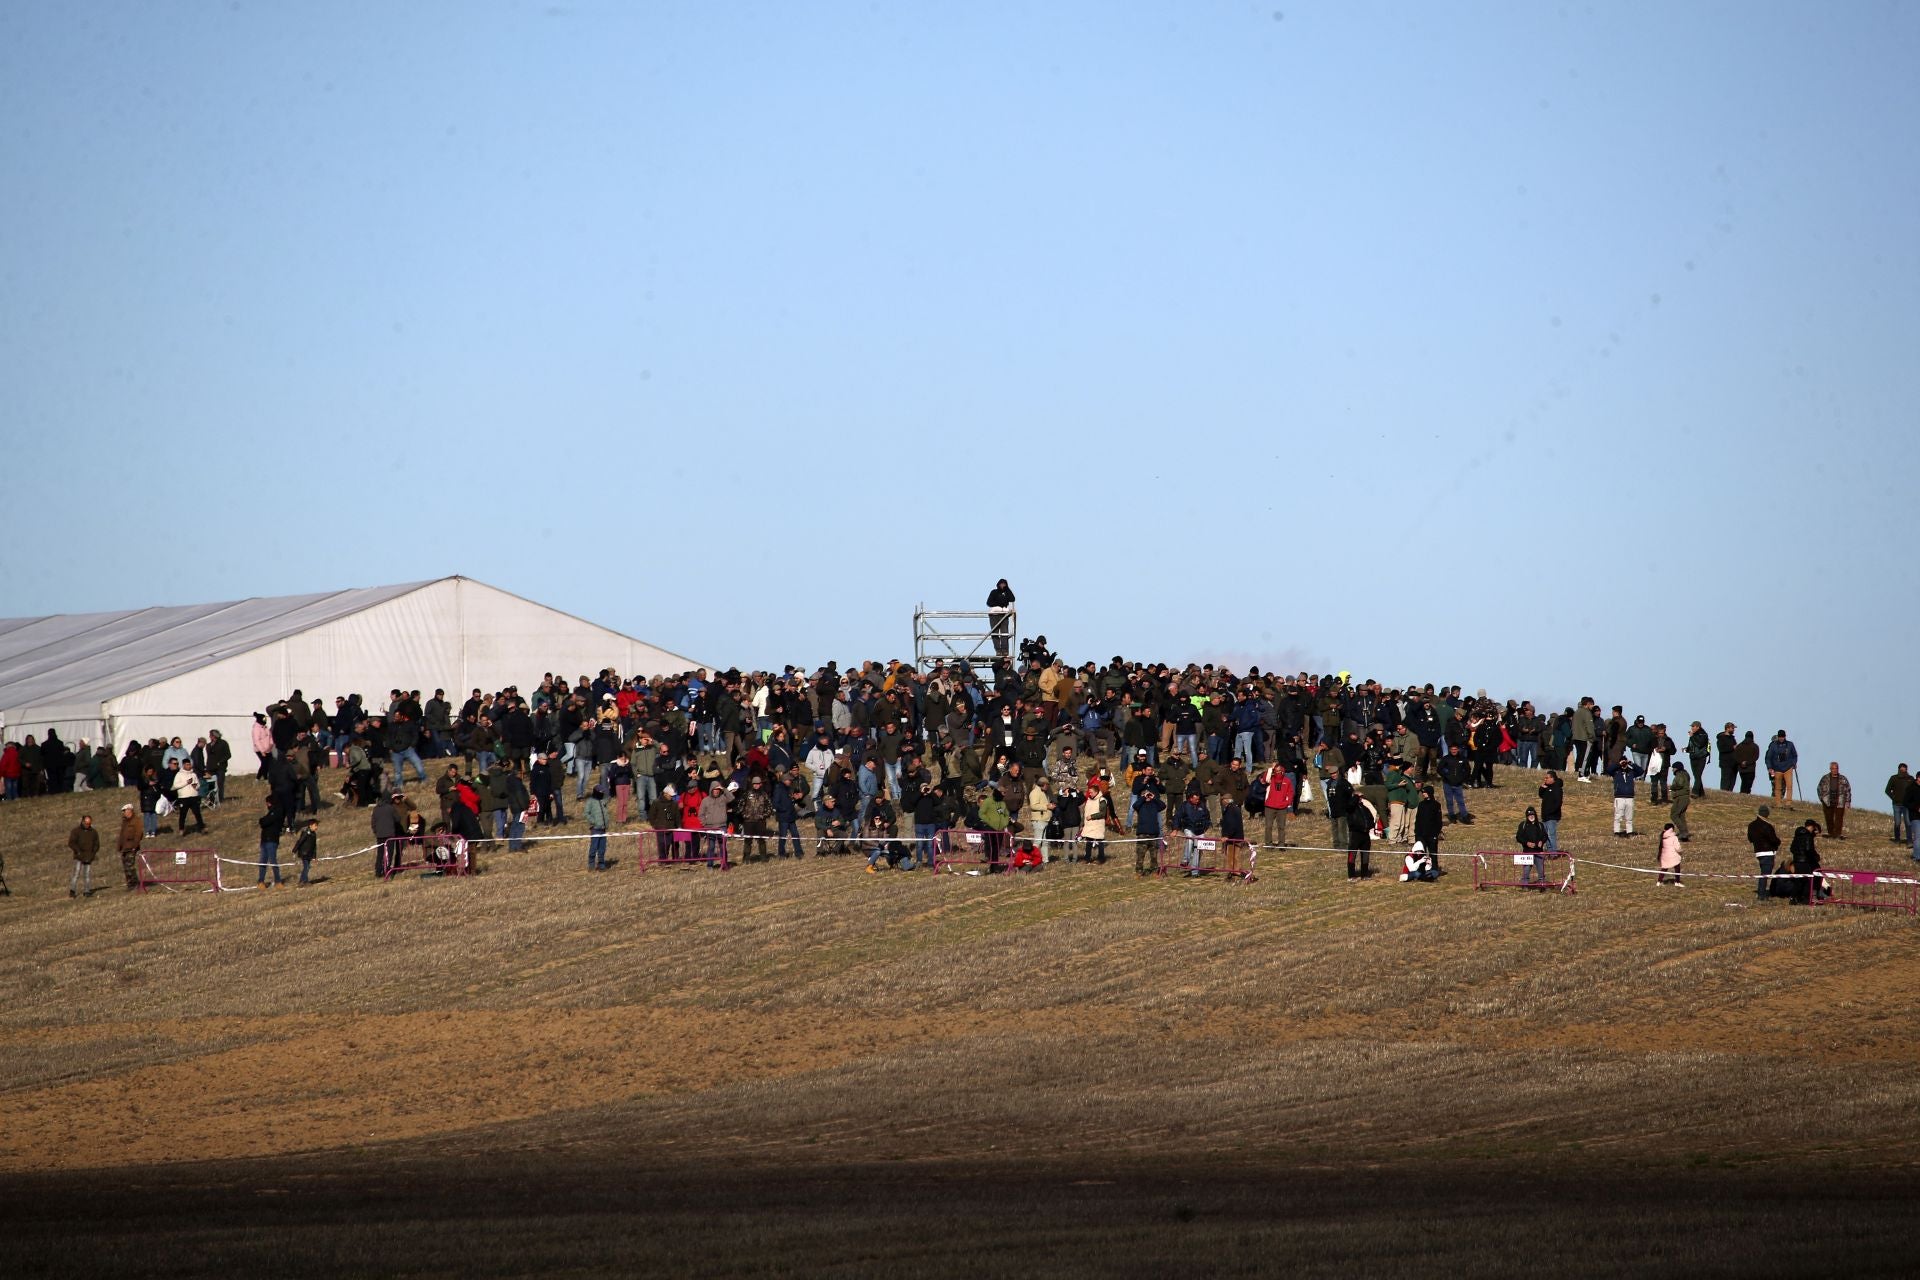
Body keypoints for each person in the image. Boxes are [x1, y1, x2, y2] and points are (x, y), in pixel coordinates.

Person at [1748, 804, 1781, 903]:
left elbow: (1750, 839)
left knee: (1763, 873)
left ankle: (1761, 893)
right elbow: (1774, 840)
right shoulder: (1767, 826)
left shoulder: (1751, 825)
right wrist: (1778, 842)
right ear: (1766, 814)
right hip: (1768, 853)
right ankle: (1761, 895)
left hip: (1758, 853)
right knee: (1765, 875)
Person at [1788, 818, 1824, 904]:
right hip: (1805, 862)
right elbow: (1809, 850)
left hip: (1796, 861)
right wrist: (1815, 857)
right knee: (1807, 881)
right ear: (1811, 827)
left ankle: (1793, 898)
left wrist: (1797, 855)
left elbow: (1792, 848)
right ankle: (1806, 899)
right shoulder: (1808, 836)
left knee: (1798, 881)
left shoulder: (1797, 835)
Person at [1608, 757, 1644, 837]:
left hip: (1630, 797)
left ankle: (1629, 832)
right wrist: (1618, 764)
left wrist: (1631, 764)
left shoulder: (1631, 772)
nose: (1624, 764)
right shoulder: (1616, 772)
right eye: (1622, 762)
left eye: (1625, 762)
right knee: (1618, 816)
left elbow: (1641, 771)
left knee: (1629, 816)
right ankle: (1616, 832)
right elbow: (1609, 770)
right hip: (1619, 797)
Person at [1412, 785, 1445, 872]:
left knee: (1433, 853)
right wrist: (1417, 832)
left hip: (1431, 834)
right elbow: (1418, 819)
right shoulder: (1421, 805)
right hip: (1421, 834)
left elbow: (1438, 821)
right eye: (1423, 792)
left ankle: (1434, 869)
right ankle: (1421, 869)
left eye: (1425, 792)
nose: (1423, 794)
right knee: (1420, 853)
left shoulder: (1436, 805)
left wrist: (1436, 833)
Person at [1816, 762, 1851, 840]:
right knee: (1829, 818)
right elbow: (1819, 788)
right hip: (1827, 801)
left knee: (1839, 819)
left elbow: (1848, 790)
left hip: (1840, 802)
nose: (1835, 770)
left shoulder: (1843, 779)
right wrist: (1821, 798)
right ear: (1830, 769)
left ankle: (1837, 834)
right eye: (1833, 768)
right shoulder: (1825, 778)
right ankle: (1831, 833)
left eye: (1836, 768)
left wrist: (1848, 801)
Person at [1516, 807, 1549, 886]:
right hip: (1527, 852)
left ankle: (1542, 885)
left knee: (1541, 870)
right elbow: (1518, 837)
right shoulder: (1523, 825)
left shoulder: (1540, 825)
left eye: (1532, 814)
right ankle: (1525, 885)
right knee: (1526, 870)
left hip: (1539, 852)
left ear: (1535, 815)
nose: (1531, 816)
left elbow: (1545, 836)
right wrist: (1526, 843)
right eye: (1529, 815)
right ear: (1527, 816)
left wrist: (1542, 841)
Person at [68, 815, 99, 897]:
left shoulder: (93, 832)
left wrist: (93, 853)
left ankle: (87, 891)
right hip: (79, 856)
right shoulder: (76, 831)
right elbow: (71, 843)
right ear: (82, 822)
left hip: (89, 856)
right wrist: (78, 851)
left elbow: (97, 844)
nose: (87, 825)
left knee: (87, 874)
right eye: (86, 823)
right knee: (76, 874)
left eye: (89, 823)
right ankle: (72, 891)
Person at [258, 799, 287, 887]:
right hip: (264, 840)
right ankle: (260, 881)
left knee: (273, 860)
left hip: (272, 840)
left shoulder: (276, 812)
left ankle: (278, 881)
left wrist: (263, 820)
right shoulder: (270, 813)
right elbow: (262, 821)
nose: (267, 805)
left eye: (268, 803)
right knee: (262, 862)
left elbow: (265, 821)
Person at [1765, 730, 1798, 807]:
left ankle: (1788, 802)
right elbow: (1768, 758)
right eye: (1780, 737)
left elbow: (1794, 755)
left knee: (1789, 786)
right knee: (1777, 787)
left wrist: (1794, 763)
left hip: (1788, 768)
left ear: (1785, 736)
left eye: (1782, 737)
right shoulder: (1773, 746)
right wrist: (1769, 768)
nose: (1781, 738)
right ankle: (1778, 803)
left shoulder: (1790, 744)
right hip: (1777, 769)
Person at [986, 579, 1015, 658]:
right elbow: (989, 603)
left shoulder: (1006, 593)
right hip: (994, 615)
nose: (1002, 586)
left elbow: (1012, 598)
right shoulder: (994, 592)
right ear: (998, 584)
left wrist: (1007, 589)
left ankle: (1005, 650)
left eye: (1004, 584)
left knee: (1004, 633)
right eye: (1001, 584)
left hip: (1004, 615)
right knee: (995, 633)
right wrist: (999, 604)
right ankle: (998, 650)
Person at [117, 802, 143, 889]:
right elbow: (121, 835)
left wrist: (135, 846)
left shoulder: (136, 820)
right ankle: (130, 884)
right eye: (123, 811)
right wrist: (119, 846)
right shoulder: (124, 822)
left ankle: (135, 883)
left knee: (130, 866)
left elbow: (139, 834)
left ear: (130, 810)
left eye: (125, 811)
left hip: (132, 847)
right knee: (125, 867)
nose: (124, 813)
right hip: (124, 847)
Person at [1884, 764, 1912, 846]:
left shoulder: (1910, 779)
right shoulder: (1894, 778)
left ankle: (1909, 841)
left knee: (1908, 823)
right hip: (1897, 805)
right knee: (1897, 823)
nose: (1903, 770)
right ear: (1899, 769)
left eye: (1905, 769)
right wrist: (1894, 798)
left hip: (1907, 805)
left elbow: (1914, 790)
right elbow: (1887, 790)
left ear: (1907, 769)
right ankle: (1897, 839)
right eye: (1902, 769)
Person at [1537, 770, 1564, 852]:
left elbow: (1558, 802)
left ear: (1552, 778)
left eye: (1547, 778)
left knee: (1551, 834)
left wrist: (1551, 811)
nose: (1545, 779)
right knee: (1545, 835)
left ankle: (1554, 852)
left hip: (1552, 816)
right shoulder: (1547, 787)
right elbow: (1541, 795)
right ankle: (1549, 851)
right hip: (1545, 816)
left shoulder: (1557, 788)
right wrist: (1542, 787)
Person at [584, 787, 610, 870]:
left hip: (603, 828)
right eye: (600, 792)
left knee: (602, 847)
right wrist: (593, 822)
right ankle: (591, 864)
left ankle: (601, 863)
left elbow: (609, 797)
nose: (602, 794)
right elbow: (586, 813)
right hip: (595, 828)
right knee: (594, 847)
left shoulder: (603, 800)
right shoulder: (590, 801)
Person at [1655, 822, 1684, 886]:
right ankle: (1677, 882)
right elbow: (1677, 848)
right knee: (1677, 868)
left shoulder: (1663, 837)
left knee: (1664, 868)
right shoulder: (1674, 837)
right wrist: (1681, 851)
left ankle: (1659, 882)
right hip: (1673, 856)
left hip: (1665, 856)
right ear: (1672, 829)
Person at [293, 818, 319, 886]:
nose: (316, 827)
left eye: (317, 826)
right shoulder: (305, 833)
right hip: (304, 853)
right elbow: (300, 841)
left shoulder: (314, 834)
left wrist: (314, 856)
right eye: (315, 825)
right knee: (307, 867)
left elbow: (314, 846)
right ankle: (304, 881)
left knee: (307, 867)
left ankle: (302, 881)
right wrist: (295, 850)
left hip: (309, 853)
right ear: (310, 825)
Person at [1669, 765, 1692, 841]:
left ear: (1677, 768)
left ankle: (1683, 832)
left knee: (1674, 815)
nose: (1672, 770)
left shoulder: (1680, 774)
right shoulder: (1684, 774)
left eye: (1673, 768)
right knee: (1681, 815)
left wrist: (1672, 787)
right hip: (1684, 797)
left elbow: (1680, 784)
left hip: (1681, 797)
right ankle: (1684, 833)